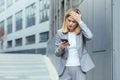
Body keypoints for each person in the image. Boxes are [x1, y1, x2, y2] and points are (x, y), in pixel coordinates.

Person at [55, 8, 95, 80]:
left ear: (77, 23)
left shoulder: (81, 33)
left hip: (79, 68)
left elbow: (90, 36)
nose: (70, 23)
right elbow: (57, 54)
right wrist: (61, 47)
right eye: (69, 20)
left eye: (74, 22)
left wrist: (80, 21)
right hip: (65, 69)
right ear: (65, 19)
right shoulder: (60, 33)